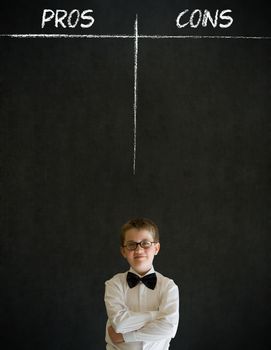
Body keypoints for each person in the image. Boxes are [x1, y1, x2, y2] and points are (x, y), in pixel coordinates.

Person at [104, 218, 179, 349]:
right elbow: (119, 324)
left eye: (145, 243)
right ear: (123, 251)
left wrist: (125, 337)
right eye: (132, 244)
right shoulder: (114, 284)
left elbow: (169, 328)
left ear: (156, 248)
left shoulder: (168, 286)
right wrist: (156, 315)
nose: (139, 250)